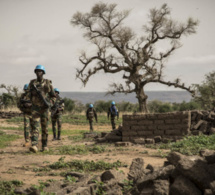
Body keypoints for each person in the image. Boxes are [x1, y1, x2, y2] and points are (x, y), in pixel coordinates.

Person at [26, 65, 56, 153]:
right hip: (35, 108)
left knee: (45, 128)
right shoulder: (32, 83)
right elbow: (27, 94)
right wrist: (28, 101)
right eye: (37, 71)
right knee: (35, 127)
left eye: (40, 71)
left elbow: (53, 96)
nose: (38, 73)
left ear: (43, 73)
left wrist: (50, 103)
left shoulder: (47, 83)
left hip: (45, 109)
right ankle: (34, 145)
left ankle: (44, 145)